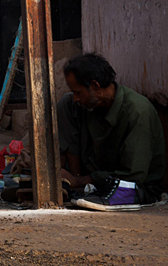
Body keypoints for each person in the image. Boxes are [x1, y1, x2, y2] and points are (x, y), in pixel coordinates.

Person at [59, 53, 166, 211]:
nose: (76, 98)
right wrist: (73, 179)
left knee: (127, 189)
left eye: (78, 93)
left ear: (95, 86)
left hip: (133, 185)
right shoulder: (75, 105)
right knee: (65, 103)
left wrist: (80, 181)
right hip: (91, 178)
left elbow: (133, 174)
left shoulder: (137, 111)